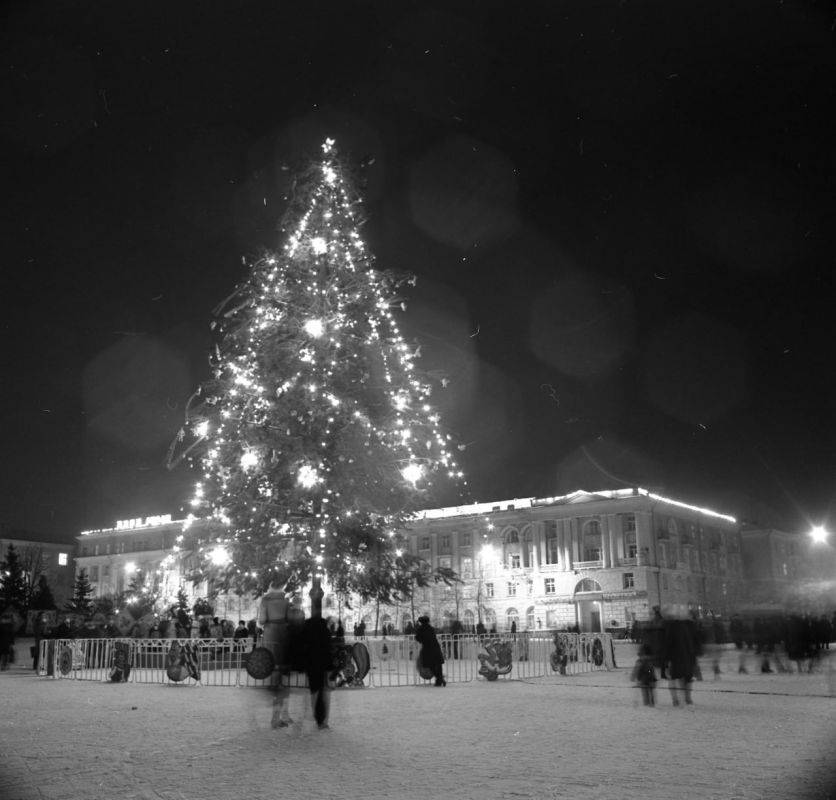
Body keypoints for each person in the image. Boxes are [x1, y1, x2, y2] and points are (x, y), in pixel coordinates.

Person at [258, 581, 292, 728]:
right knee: (283, 676)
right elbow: (290, 620)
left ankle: (276, 717)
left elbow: (261, 620)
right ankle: (282, 714)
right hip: (283, 636)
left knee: (273, 673)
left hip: (270, 636)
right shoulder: (286, 602)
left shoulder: (265, 601)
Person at [302, 587, 334, 730]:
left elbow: (304, 644)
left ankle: (317, 716)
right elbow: (328, 644)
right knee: (325, 690)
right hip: (324, 661)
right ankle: (324, 720)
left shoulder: (307, 625)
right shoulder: (324, 625)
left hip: (312, 661)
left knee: (315, 689)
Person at [415, 615, 446, 686]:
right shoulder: (431, 628)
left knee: (430, 665)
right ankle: (440, 679)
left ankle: (439, 679)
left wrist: (422, 640)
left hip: (427, 649)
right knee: (438, 664)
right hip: (436, 647)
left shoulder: (420, 629)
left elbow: (417, 638)